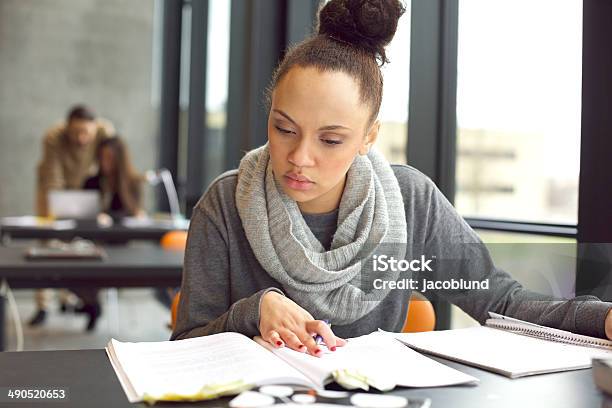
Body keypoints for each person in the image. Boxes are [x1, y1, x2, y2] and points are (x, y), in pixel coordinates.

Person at [171, 0, 612, 356]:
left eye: (331, 140)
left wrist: (604, 319)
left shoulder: (410, 199)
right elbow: (184, 347)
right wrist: (254, 310)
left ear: (368, 136)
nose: (299, 157)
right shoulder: (227, 203)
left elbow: (502, 304)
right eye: (284, 128)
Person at [30, 105, 114, 327]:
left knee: (79, 244)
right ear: (67, 127)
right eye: (76, 132)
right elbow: (53, 177)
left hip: (82, 191)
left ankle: (70, 299)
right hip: (52, 191)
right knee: (47, 242)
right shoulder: (53, 137)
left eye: (86, 132)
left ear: (95, 127)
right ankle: (43, 305)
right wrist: (57, 214)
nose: (81, 138)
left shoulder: (106, 132)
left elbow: (112, 166)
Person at [76, 136, 145, 331]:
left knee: (95, 264)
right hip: (91, 241)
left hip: (118, 244)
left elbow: (133, 213)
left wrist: (109, 217)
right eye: (102, 157)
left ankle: (91, 305)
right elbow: (82, 212)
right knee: (71, 266)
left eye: (110, 158)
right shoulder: (91, 182)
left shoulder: (131, 182)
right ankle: (91, 304)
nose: (105, 163)